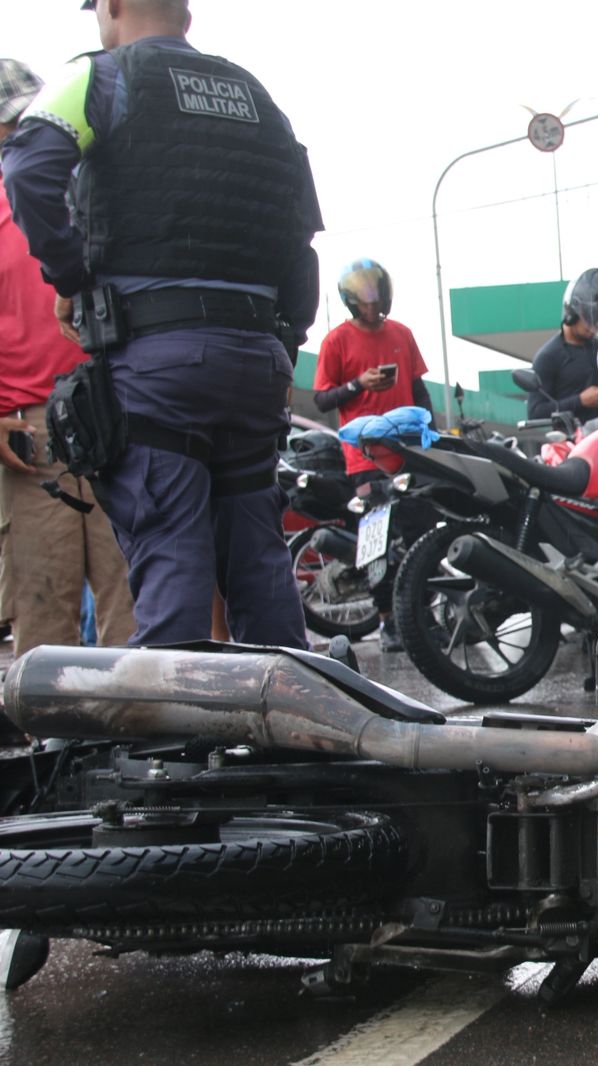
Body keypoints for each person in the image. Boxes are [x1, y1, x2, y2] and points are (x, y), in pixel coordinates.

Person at [2, 0, 320, 648]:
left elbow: (29, 173)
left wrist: (75, 280)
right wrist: (282, 341)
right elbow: (301, 237)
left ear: (113, 7)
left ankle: (173, 742)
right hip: (257, 360)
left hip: (159, 363)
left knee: (172, 561)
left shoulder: (99, 77)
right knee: (259, 566)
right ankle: (288, 731)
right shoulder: (259, 98)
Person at [0, 57, 134, 670]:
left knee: (134, 597)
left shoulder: (92, 190)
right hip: (27, 431)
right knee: (45, 606)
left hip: (111, 407)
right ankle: (49, 755)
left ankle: (135, 743)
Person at [312, 259, 432, 651]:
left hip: (408, 453)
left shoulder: (402, 334)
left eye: (378, 294)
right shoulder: (335, 341)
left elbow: (419, 389)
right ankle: (388, 622)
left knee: (419, 533)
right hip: (365, 460)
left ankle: (422, 614)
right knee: (377, 542)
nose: (374, 304)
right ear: (350, 301)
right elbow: (322, 397)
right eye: (366, 298)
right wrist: (357, 385)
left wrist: (431, 432)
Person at [524, 267, 598, 421]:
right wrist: (580, 401)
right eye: (589, 320)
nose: (594, 327)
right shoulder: (548, 356)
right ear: (571, 312)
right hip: (571, 441)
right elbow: (535, 412)